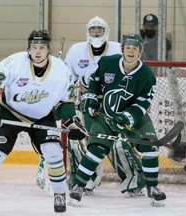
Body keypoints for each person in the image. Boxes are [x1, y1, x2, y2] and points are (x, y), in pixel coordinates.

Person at [0, 29, 87, 214]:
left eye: (42, 47)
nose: (37, 51)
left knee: (54, 153)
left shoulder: (61, 69)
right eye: (33, 47)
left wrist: (71, 121)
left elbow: (66, 101)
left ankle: (60, 195)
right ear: (28, 48)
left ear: (49, 49)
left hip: (43, 115)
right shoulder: (14, 62)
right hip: (9, 113)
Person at [69, 34, 167, 207]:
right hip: (105, 114)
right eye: (128, 48)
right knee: (96, 150)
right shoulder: (107, 63)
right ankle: (78, 186)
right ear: (122, 50)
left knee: (150, 147)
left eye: (135, 48)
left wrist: (126, 117)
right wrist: (91, 99)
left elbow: (143, 103)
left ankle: (153, 187)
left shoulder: (147, 76)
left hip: (134, 117)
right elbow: (95, 83)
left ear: (140, 52)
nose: (131, 51)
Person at [64, 16, 144, 197]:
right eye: (93, 30)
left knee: (118, 144)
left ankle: (134, 181)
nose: (96, 33)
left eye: (100, 29)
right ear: (87, 32)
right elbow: (67, 79)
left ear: (106, 31)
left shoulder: (118, 48)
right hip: (86, 102)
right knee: (77, 140)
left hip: (114, 104)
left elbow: (134, 73)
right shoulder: (77, 50)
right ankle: (84, 181)